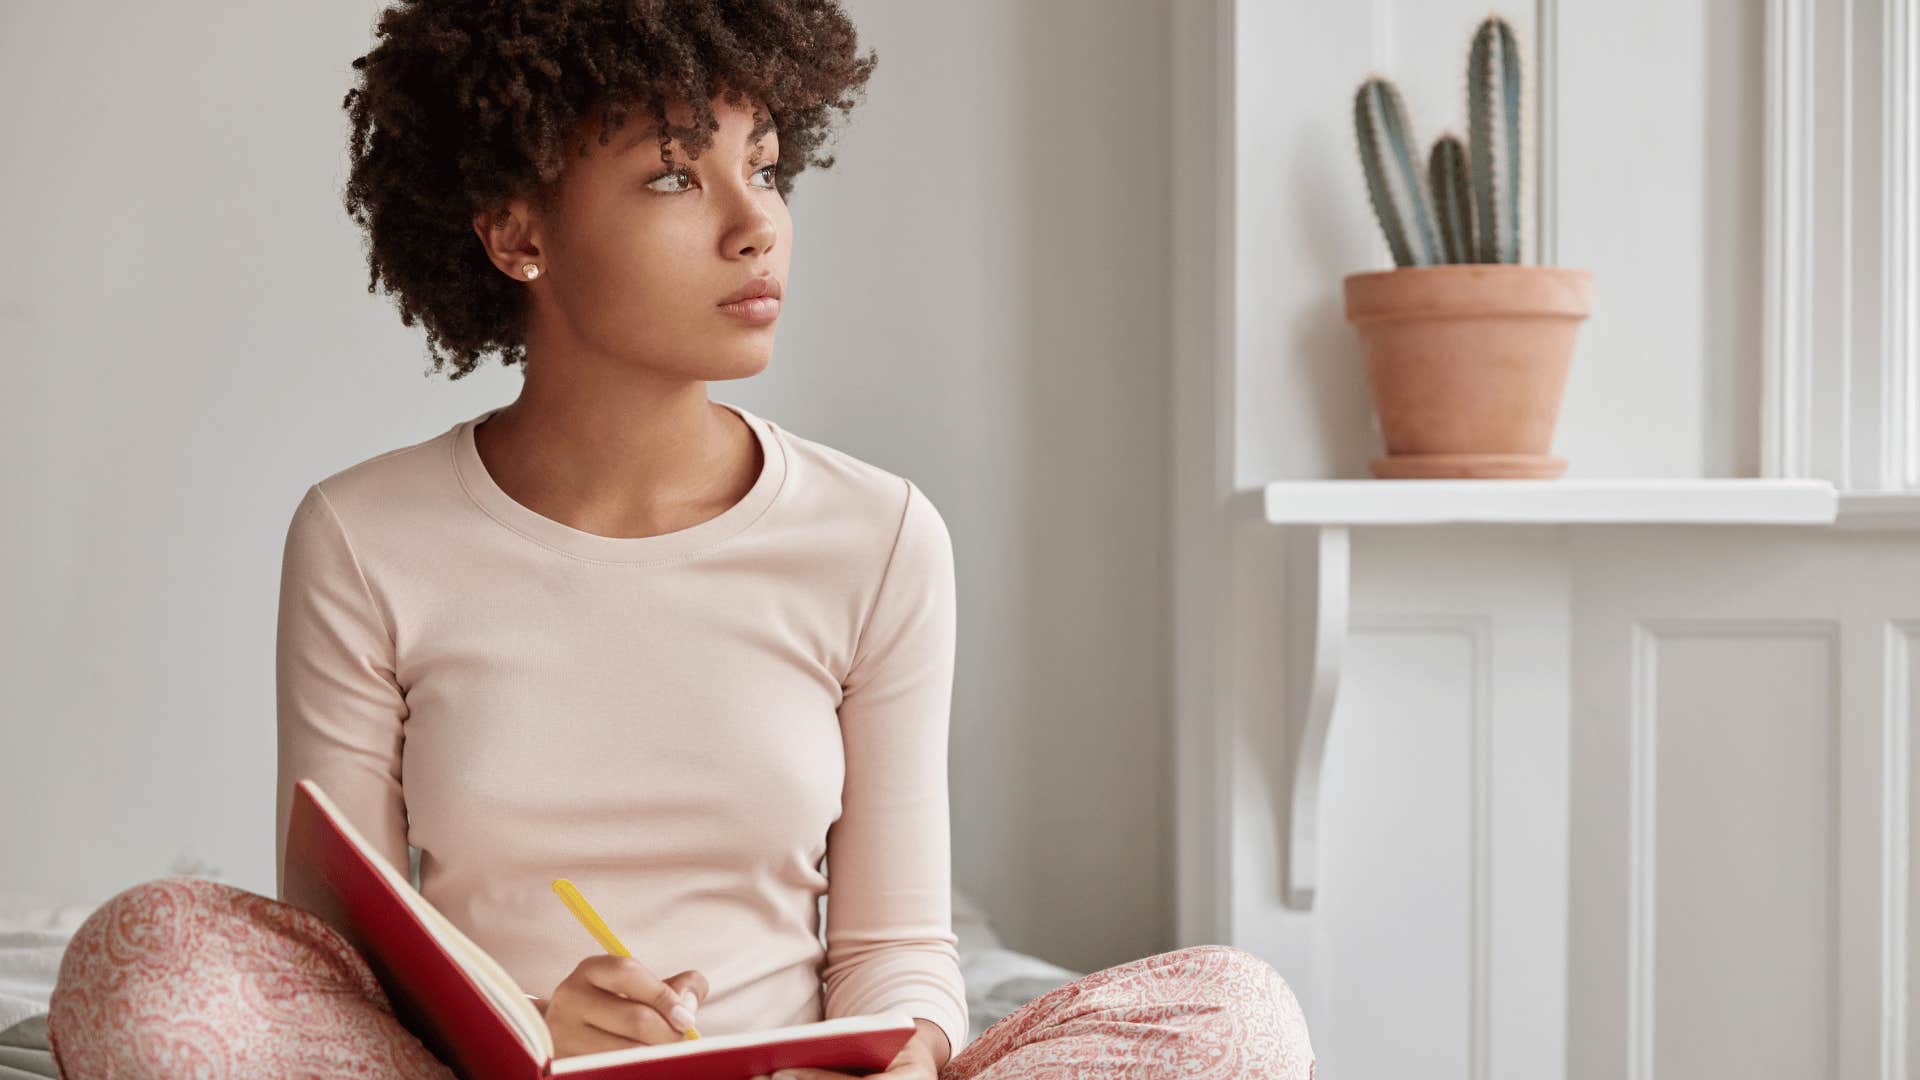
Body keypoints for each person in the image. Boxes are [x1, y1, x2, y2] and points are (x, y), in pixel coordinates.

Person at [46, 2, 1315, 1076]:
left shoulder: (879, 537)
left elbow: (894, 951)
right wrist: (532, 1023)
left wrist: (909, 1057)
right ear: (517, 232)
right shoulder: (363, 536)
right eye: (672, 173)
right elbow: (343, 966)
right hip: (496, 1070)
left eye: (762, 164)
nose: (753, 220)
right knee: (145, 956)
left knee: (1238, 1016)